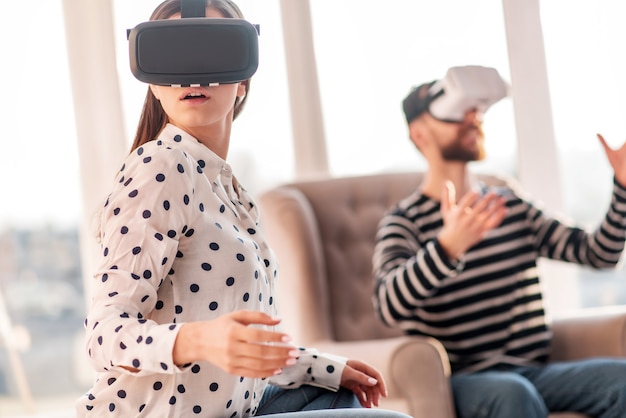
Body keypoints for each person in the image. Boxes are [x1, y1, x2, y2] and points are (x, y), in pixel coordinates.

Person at [76, 1, 413, 417]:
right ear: (153, 82)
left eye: (212, 52)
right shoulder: (160, 166)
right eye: (172, 57)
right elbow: (103, 335)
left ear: (243, 79)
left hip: (236, 407)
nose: (191, 73)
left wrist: (327, 367)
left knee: (338, 393)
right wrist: (199, 340)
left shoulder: (226, 186)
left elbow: (241, 349)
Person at [372, 65, 626, 418]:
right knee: (514, 394)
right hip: (463, 381)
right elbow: (388, 305)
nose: (471, 119)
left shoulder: (508, 203)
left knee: (621, 382)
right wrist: (447, 247)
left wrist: (623, 188)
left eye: (474, 112)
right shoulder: (404, 221)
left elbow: (599, 253)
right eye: (454, 115)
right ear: (419, 135)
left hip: (533, 371)